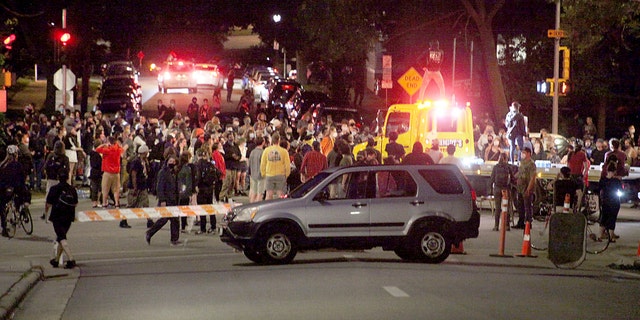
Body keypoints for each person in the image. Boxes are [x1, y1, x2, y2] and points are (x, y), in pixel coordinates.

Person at [146, 156, 181, 246]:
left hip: (174, 200)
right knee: (164, 219)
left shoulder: (175, 173)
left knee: (175, 220)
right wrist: (162, 200)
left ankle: (174, 239)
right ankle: (150, 233)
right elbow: (160, 187)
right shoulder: (162, 173)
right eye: (170, 161)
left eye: (173, 161)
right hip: (166, 199)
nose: (172, 163)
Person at [47, 168, 78, 268]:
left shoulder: (54, 189)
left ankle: (71, 258)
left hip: (57, 215)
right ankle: (56, 260)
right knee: (61, 236)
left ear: (58, 177)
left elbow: (48, 203)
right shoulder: (72, 189)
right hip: (69, 216)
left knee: (62, 237)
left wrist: (46, 214)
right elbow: (75, 203)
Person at [96, 136, 127, 227]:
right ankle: (117, 204)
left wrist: (104, 144)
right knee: (116, 190)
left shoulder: (107, 149)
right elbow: (122, 150)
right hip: (116, 172)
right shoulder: (118, 149)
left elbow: (97, 149)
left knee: (105, 189)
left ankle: (104, 204)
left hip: (107, 172)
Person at [0, 145, 26, 237]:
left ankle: (4, 227)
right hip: (13, 188)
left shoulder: (3, 164)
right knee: (21, 196)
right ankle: (19, 210)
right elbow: (22, 177)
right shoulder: (17, 165)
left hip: (3, 189)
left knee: (2, 206)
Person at [127, 144, 154, 228]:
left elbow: (147, 172)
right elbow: (133, 175)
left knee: (145, 203)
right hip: (135, 186)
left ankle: (149, 220)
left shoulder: (144, 161)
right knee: (132, 204)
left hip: (143, 186)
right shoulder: (136, 162)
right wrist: (135, 187)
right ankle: (123, 219)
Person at [42, 141, 70, 221]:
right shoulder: (65, 158)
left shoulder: (50, 156)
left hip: (51, 179)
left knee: (48, 197)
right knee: (60, 198)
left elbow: (46, 166)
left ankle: (46, 214)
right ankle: (59, 214)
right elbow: (67, 170)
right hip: (60, 180)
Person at [194, 149, 219, 234]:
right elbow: (218, 174)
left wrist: (196, 186)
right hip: (210, 188)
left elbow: (198, 176)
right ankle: (213, 226)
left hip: (202, 188)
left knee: (202, 209)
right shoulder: (211, 164)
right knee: (210, 208)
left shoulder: (198, 165)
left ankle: (203, 228)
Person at [260, 133, 291, 200]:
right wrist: (286, 175)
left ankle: (268, 209)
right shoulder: (284, 151)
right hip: (281, 175)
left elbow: (263, 163)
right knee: (280, 195)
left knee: (268, 195)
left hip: (269, 174)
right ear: (279, 140)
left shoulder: (266, 150)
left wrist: (263, 174)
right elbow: (287, 165)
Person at [598, 158, 622, 241]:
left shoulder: (603, 180)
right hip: (615, 201)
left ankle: (601, 235)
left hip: (605, 200)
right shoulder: (617, 181)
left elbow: (598, 189)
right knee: (612, 218)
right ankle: (611, 237)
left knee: (604, 217)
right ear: (615, 171)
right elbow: (621, 191)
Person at [514, 147, 536, 229]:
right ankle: (521, 222)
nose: (522, 154)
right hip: (520, 188)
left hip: (526, 188)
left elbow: (532, 177)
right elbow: (519, 173)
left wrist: (529, 189)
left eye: (524, 152)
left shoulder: (531, 164)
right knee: (521, 206)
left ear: (529, 153)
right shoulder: (522, 162)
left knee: (527, 206)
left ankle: (528, 223)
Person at [490, 152, 513, 231]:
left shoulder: (495, 167)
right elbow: (512, 179)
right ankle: (507, 226)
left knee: (498, 208)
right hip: (505, 189)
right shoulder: (508, 167)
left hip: (497, 189)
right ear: (506, 159)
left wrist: (490, 189)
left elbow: (492, 179)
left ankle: (496, 226)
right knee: (506, 207)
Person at [248, 136, 266, 203]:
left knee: (253, 192)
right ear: (263, 142)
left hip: (253, 174)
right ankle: (257, 207)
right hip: (261, 175)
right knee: (260, 193)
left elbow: (249, 163)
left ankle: (251, 205)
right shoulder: (263, 152)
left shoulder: (252, 152)